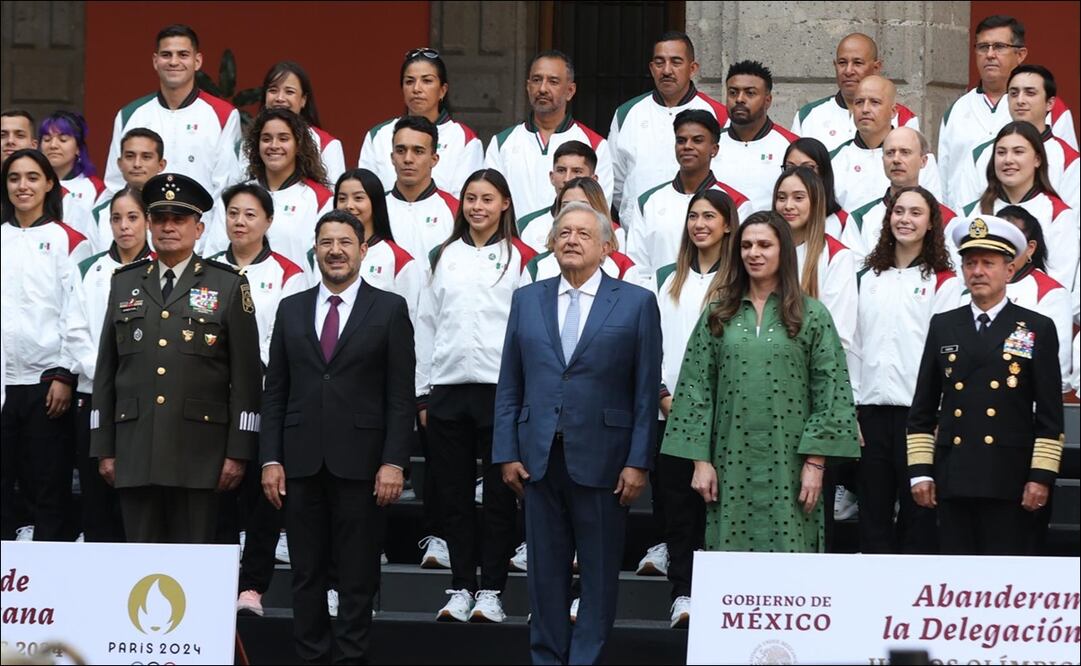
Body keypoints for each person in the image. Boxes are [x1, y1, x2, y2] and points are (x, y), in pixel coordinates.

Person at [494, 201, 661, 664]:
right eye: (563, 232)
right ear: (550, 242)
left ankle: (586, 659)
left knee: (599, 574)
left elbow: (645, 392)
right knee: (543, 575)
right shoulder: (527, 299)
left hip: (606, 462)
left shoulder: (636, 303)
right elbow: (511, 382)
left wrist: (638, 460)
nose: (571, 240)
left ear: (607, 247)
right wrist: (506, 449)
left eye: (584, 234)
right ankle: (546, 657)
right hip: (537, 459)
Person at [260, 208, 414, 663]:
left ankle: (350, 657)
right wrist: (270, 459)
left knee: (357, 573)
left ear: (363, 250)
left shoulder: (389, 309)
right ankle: (310, 656)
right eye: (327, 242)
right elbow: (275, 394)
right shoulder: (291, 309)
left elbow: (400, 396)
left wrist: (394, 462)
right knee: (305, 573)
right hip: (301, 463)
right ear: (315, 250)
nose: (335, 251)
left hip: (364, 466)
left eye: (346, 242)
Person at [661, 211, 859, 554]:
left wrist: (815, 464)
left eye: (765, 245)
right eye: (747, 245)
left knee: (792, 561)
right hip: (729, 463)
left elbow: (831, 392)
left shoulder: (812, 315)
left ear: (783, 251)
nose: (754, 253)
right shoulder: (718, 314)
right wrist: (700, 462)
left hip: (792, 466)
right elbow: (695, 389)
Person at [89, 172, 262, 543]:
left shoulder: (228, 284)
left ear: (199, 229)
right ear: (149, 224)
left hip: (200, 452)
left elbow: (246, 378)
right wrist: (103, 446)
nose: (169, 227)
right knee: (140, 567)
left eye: (179, 219)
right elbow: (107, 370)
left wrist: (239, 451)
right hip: (136, 448)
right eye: (160, 219)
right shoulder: (124, 282)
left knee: (193, 565)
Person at [415, 169, 536, 623]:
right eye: (470, 198)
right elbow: (427, 323)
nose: (477, 207)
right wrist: (423, 393)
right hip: (447, 391)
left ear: (505, 203)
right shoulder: (443, 255)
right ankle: (462, 585)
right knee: (454, 496)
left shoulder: (521, 257)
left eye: (487, 198)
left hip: (500, 393)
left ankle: (492, 591)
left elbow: (528, 331)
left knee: (501, 498)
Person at [907, 215, 1064, 555]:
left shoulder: (1036, 328)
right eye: (970, 263)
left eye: (988, 263)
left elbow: (1050, 416)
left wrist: (1040, 477)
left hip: (1010, 477)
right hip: (954, 477)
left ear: (1009, 270)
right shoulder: (944, 326)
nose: (977, 271)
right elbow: (922, 409)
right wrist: (920, 473)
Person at [853, 186, 961, 555]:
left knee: (919, 510)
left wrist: (939, 412)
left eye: (916, 213)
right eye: (899, 211)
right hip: (870, 413)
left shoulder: (945, 281)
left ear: (931, 224)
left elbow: (947, 355)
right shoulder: (866, 278)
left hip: (920, 417)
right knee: (873, 509)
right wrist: (851, 407)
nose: (905, 219)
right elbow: (852, 345)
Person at [654, 188, 736, 628]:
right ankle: (682, 593)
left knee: (719, 507)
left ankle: (720, 593)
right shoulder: (668, 277)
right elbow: (652, 343)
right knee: (678, 510)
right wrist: (664, 397)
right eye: (694, 216)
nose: (700, 224)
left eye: (710, 216)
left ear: (727, 225)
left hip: (726, 415)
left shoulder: (740, 279)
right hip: (672, 410)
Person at [1, 149, 90, 541]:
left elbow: (76, 315)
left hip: (46, 382)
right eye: (14, 178)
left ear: (50, 184)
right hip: (3, 382)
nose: (23, 186)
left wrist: (63, 374)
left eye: (33, 177)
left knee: (48, 484)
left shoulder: (69, 241)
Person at [63, 187, 155, 544]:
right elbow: (74, 330)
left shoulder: (160, 267)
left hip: (144, 397)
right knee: (95, 490)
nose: (124, 226)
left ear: (147, 221)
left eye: (132, 217)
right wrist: (104, 375)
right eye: (116, 218)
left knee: (136, 493)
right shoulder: (90, 268)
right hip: (94, 394)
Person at [938, 15, 1077, 205]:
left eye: (999, 47)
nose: (990, 54)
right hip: (969, 222)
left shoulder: (1050, 108)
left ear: (1020, 54)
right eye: (983, 47)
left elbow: (1068, 169)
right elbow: (944, 181)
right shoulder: (956, 110)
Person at [102, 25, 240, 206]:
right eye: (166, 55)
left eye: (183, 55)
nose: (174, 62)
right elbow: (116, 185)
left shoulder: (224, 115)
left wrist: (208, 233)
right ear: (155, 61)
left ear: (197, 61)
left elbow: (227, 188)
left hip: (203, 229)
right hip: (143, 229)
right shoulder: (130, 115)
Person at [608, 31, 728, 223]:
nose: (666, 70)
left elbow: (725, 175)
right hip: (640, 232)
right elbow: (615, 181)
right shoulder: (627, 113)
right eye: (659, 62)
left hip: (701, 230)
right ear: (651, 67)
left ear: (693, 68)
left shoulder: (719, 114)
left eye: (676, 62)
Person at [627, 109, 753, 286]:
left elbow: (742, 263)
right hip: (659, 304)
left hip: (718, 302)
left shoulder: (737, 203)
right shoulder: (648, 201)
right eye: (681, 140)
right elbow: (638, 268)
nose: (687, 146)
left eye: (698, 140)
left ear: (714, 149)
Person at [486, 50, 614, 216]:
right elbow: (490, 204)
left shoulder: (595, 145)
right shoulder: (502, 143)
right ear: (527, 86)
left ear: (570, 91)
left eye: (553, 81)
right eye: (537, 80)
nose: (543, 88)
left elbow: (599, 211)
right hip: (514, 241)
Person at [955, 121, 1078, 290]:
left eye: (1018, 152)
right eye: (1001, 152)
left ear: (1037, 159)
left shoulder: (1058, 215)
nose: (1008, 160)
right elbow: (958, 278)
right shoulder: (970, 213)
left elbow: (1058, 286)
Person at [207, 107, 332, 264]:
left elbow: (323, 259)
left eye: (283, 139)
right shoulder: (236, 197)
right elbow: (215, 251)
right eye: (266, 139)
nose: (274, 145)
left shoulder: (321, 199)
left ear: (298, 145)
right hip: (235, 287)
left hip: (298, 287)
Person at [359, 48, 483, 198]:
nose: (416, 89)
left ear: (443, 90)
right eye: (409, 81)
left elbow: (465, 200)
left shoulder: (464, 138)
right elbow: (365, 195)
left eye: (427, 81)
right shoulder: (378, 135)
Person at [953, 65, 1079, 211]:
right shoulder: (980, 153)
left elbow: (1074, 222)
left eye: (1030, 93)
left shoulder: (1069, 159)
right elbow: (965, 213)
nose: (1020, 100)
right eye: (1013, 93)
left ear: (1050, 103)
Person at [773, 166, 858, 373]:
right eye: (782, 198)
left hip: (808, 373)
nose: (788, 206)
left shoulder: (837, 257)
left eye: (799, 198)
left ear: (816, 202)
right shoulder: (762, 251)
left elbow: (837, 334)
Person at [987, 205, 1073, 391]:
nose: (1002, 248)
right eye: (995, 240)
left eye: (1011, 241)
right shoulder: (973, 288)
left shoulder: (1050, 293)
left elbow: (1057, 370)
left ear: (1030, 248)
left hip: (1024, 408)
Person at [791, 33, 919, 152]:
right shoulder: (809, 116)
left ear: (876, 68)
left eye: (857, 63)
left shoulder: (903, 118)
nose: (848, 71)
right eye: (842, 63)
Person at [325, 169, 423, 323]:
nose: (349, 205)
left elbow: (408, 320)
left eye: (358, 198)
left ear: (375, 202)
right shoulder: (320, 255)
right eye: (342, 198)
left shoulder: (399, 260)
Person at [831, 76, 942, 210]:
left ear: (893, 111)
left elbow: (934, 213)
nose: (865, 109)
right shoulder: (833, 160)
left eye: (875, 102)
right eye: (859, 102)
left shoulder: (921, 159)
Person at [843, 128, 957, 257]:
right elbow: (853, 273)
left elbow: (953, 271)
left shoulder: (946, 220)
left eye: (905, 152)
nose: (896, 159)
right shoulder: (859, 219)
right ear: (883, 160)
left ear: (923, 161)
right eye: (890, 153)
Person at [713, 60, 799, 213]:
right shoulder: (710, 145)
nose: (739, 99)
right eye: (733, 92)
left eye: (750, 93)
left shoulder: (791, 146)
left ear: (768, 100)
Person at [521, 177, 640, 286]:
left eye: (583, 206)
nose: (573, 212)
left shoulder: (623, 268)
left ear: (600, 211)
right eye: (566, 206)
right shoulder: (537, 267)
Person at [258, 60, 346, 185]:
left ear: (303, 100)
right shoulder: (249, 142)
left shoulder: (327, 144)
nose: (280, 98)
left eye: (289, 92)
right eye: (273, 90)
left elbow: (334, 197)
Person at [383, 115, 458, 260]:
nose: (408, 159)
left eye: (418, 151)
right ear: (392, 158)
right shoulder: (374, 208)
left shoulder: (456, 211)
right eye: (401, 150)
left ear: (434, 159)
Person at [517, 140, 611, 253]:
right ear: (552, 177)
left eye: (577, 171)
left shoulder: (613, 230)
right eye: (561, 170)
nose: (567, 178)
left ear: (593, 180)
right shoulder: (526, 225)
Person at [90, 128, 167, 251]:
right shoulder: (100, 213)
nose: (137, 164)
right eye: (130, 156)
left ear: (161, 165)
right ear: (120, 164)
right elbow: (94, 263)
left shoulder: (178, 212)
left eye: (146, 157)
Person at [39, 111, 105, 215]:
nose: (53, 145)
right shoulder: (30, 184)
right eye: (47, 139)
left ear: (78, 148)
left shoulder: (95, 188)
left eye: (63, 139)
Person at [783, 137, 850, 239]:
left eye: (808, 168)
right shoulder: (774, 220)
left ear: (823, 172)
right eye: (790, 167)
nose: (796, 174)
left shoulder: (844, 223)